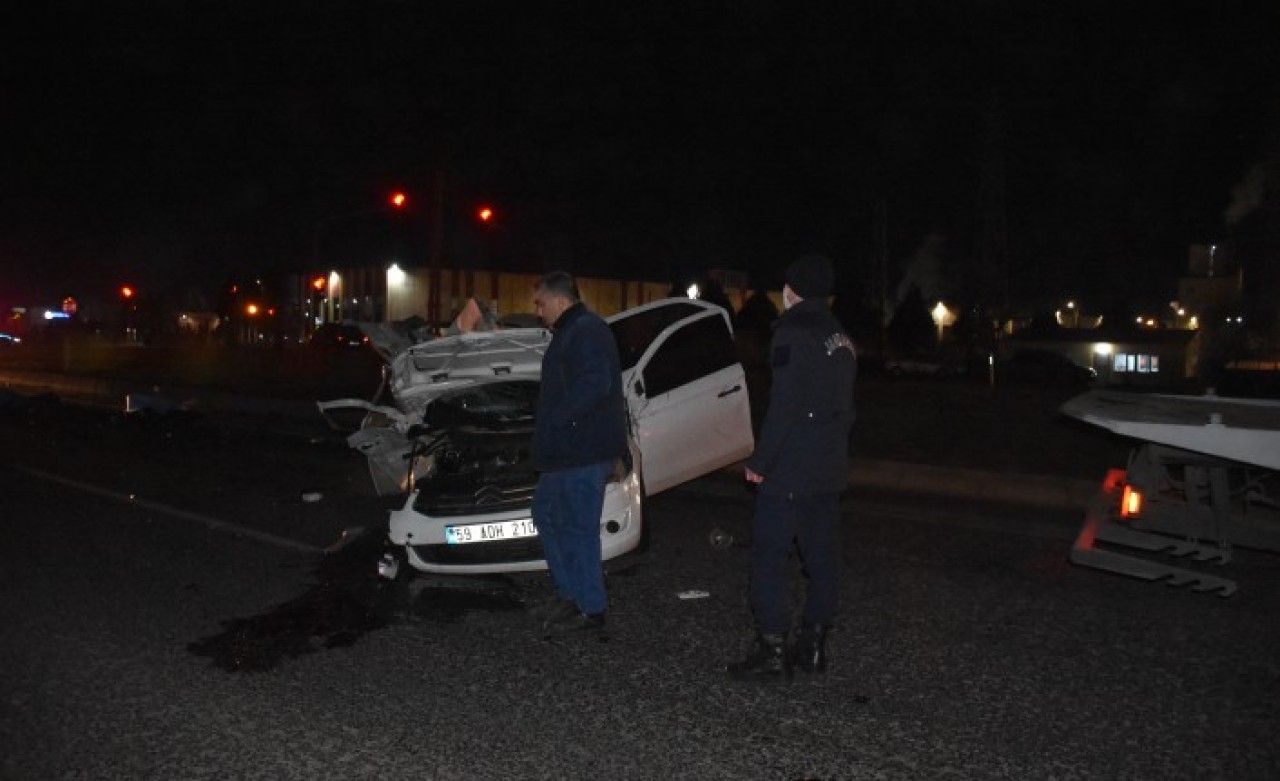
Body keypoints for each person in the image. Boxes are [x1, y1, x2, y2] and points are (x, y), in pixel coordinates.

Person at [727, 254, 857, 681]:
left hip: (791, 468)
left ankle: (773, 647)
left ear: (791, 290)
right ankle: (814, 644)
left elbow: (785, 406)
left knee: (768, 556)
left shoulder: (792, 333)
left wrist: (761, 462)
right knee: (821, 558)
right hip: (829, 465)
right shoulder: (839, 335)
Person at [529, 271, 628, 639]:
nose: (539, 312)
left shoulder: (585, 330)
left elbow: (595, 383)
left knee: (578, 528)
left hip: (581, 452)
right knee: (548, 513)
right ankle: (570, 594)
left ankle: (591, 608)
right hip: (567, 453)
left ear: (559, 300)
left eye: (541, 303)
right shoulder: (574, 330)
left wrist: (558, 418)